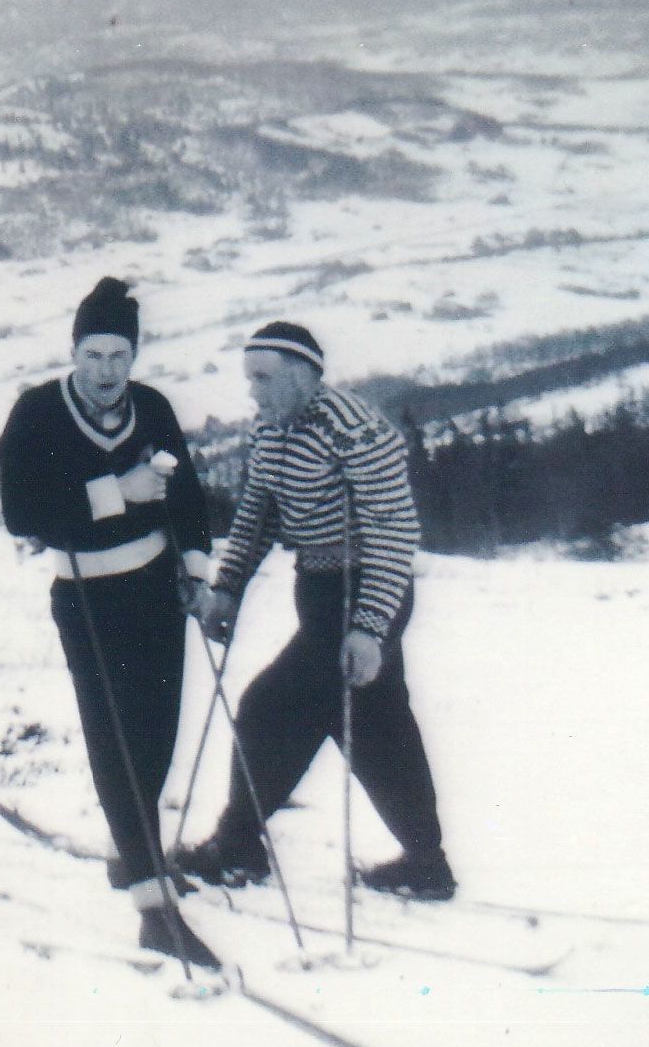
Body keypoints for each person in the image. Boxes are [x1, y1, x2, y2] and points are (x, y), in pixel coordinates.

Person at [180, 321, 455, 901]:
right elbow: (258, 511)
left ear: (304, 375)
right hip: (320, 590)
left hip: (365, 590)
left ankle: (237, 846)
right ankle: (426, 863)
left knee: (268, 709)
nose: (253, 390)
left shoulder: (355, 430)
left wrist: (369, 630)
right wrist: (228, 587)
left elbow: (393, 532)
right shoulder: (271, 429)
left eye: (264, 378)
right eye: (248, 378)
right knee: (378, 728)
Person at [0, 277, 221, 968]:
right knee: (115, 740)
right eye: (94, 355)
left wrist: (198, 570)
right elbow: (22, 512)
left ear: (134, 356)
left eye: (118, 355)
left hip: (157, 587)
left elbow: (185, 493)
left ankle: (136, 853)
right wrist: (112, 494)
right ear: (74, 352)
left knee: (155, 736)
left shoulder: (150, 407)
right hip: (88, 596)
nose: (106, 370)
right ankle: (154, 904)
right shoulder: (36, 413)